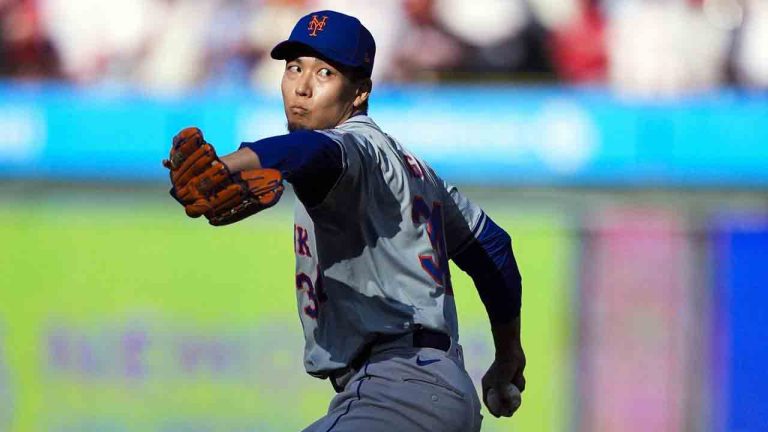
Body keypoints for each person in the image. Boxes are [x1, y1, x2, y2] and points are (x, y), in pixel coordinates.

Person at [217, 10, 525, 431]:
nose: (302, 88)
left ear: (359, 91)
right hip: (434, 391)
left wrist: (229, 165)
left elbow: (311, 151)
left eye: (325, 73)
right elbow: (492, 246)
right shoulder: (416, 171)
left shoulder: (352, 144)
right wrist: (508, 356)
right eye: (294, 68)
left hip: (396, 388)